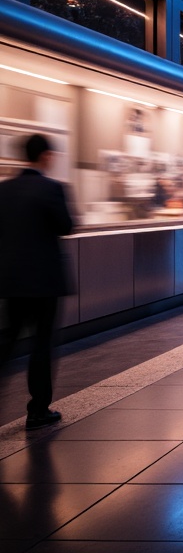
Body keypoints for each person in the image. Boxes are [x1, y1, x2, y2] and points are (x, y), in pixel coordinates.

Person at [0, 134, 75, 430]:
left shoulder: (3, 191)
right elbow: (66, 226)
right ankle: (38, 410)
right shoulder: (51, 188)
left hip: (10, 280)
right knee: (41, 346)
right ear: (45, 156)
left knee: (6, 343)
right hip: (43, 282)